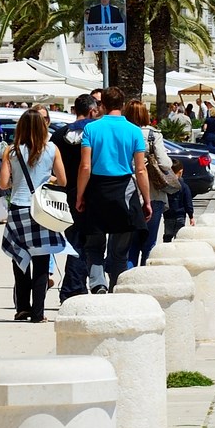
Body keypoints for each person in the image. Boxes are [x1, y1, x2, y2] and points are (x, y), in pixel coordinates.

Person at [73, 88, 152, 294]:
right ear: (123, 105)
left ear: (102, 105)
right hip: (124, 191)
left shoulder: (92, 129)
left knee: (94, 245)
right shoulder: (134, 131)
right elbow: (141, 169)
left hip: (97, 190)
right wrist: (147, 200)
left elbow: (85, 166)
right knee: (119, 251)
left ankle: (98, 283)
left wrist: (80, 195)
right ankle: (116, 287)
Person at [0, 107, 66, 321]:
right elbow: (63, 180)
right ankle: (38, 313)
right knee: (42, 260)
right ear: (43, 126)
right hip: (41, 210)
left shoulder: (12, 151)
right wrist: (48, 179)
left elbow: (3, 183)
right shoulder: (52, 149)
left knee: (20, 258)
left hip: (18, 208)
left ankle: (22, 308)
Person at [54, 93, 98, 301]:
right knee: (88, 243)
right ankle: (73, 288)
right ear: (92, 111)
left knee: (75, 241)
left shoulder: (59, 134)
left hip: (66, 194)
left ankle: (76, 286)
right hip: (91, 193)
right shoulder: (96, 132)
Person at [126, 100, 178, 267]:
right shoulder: (152, 135)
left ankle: (128, 276)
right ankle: (144, 278)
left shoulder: (123, 132)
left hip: (128, 191)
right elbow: (165, 164)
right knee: (149, 243)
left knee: (131, 245)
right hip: (153, 192)